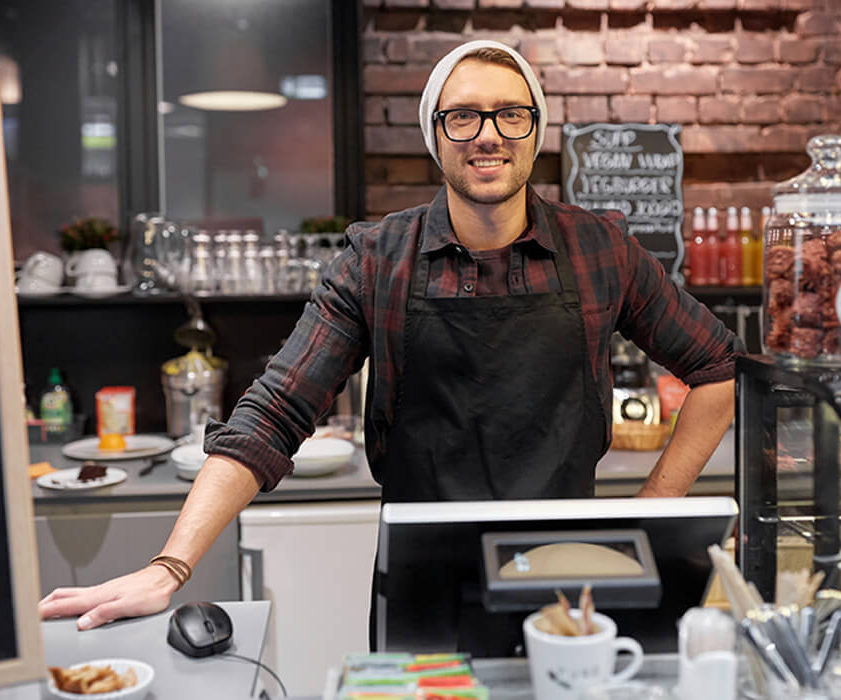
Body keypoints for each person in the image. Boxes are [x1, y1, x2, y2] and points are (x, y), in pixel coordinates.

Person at [39, 39, 743, 631]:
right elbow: (276, 411)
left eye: (510, 114)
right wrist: (171, 566)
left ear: (537, 130)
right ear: (434, 135)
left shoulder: (602, 250)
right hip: (421, 585)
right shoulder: (379, 259)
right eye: (463, 116)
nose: (488, 133)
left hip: (566, 578)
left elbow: (717, 366)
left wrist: (655, 508)